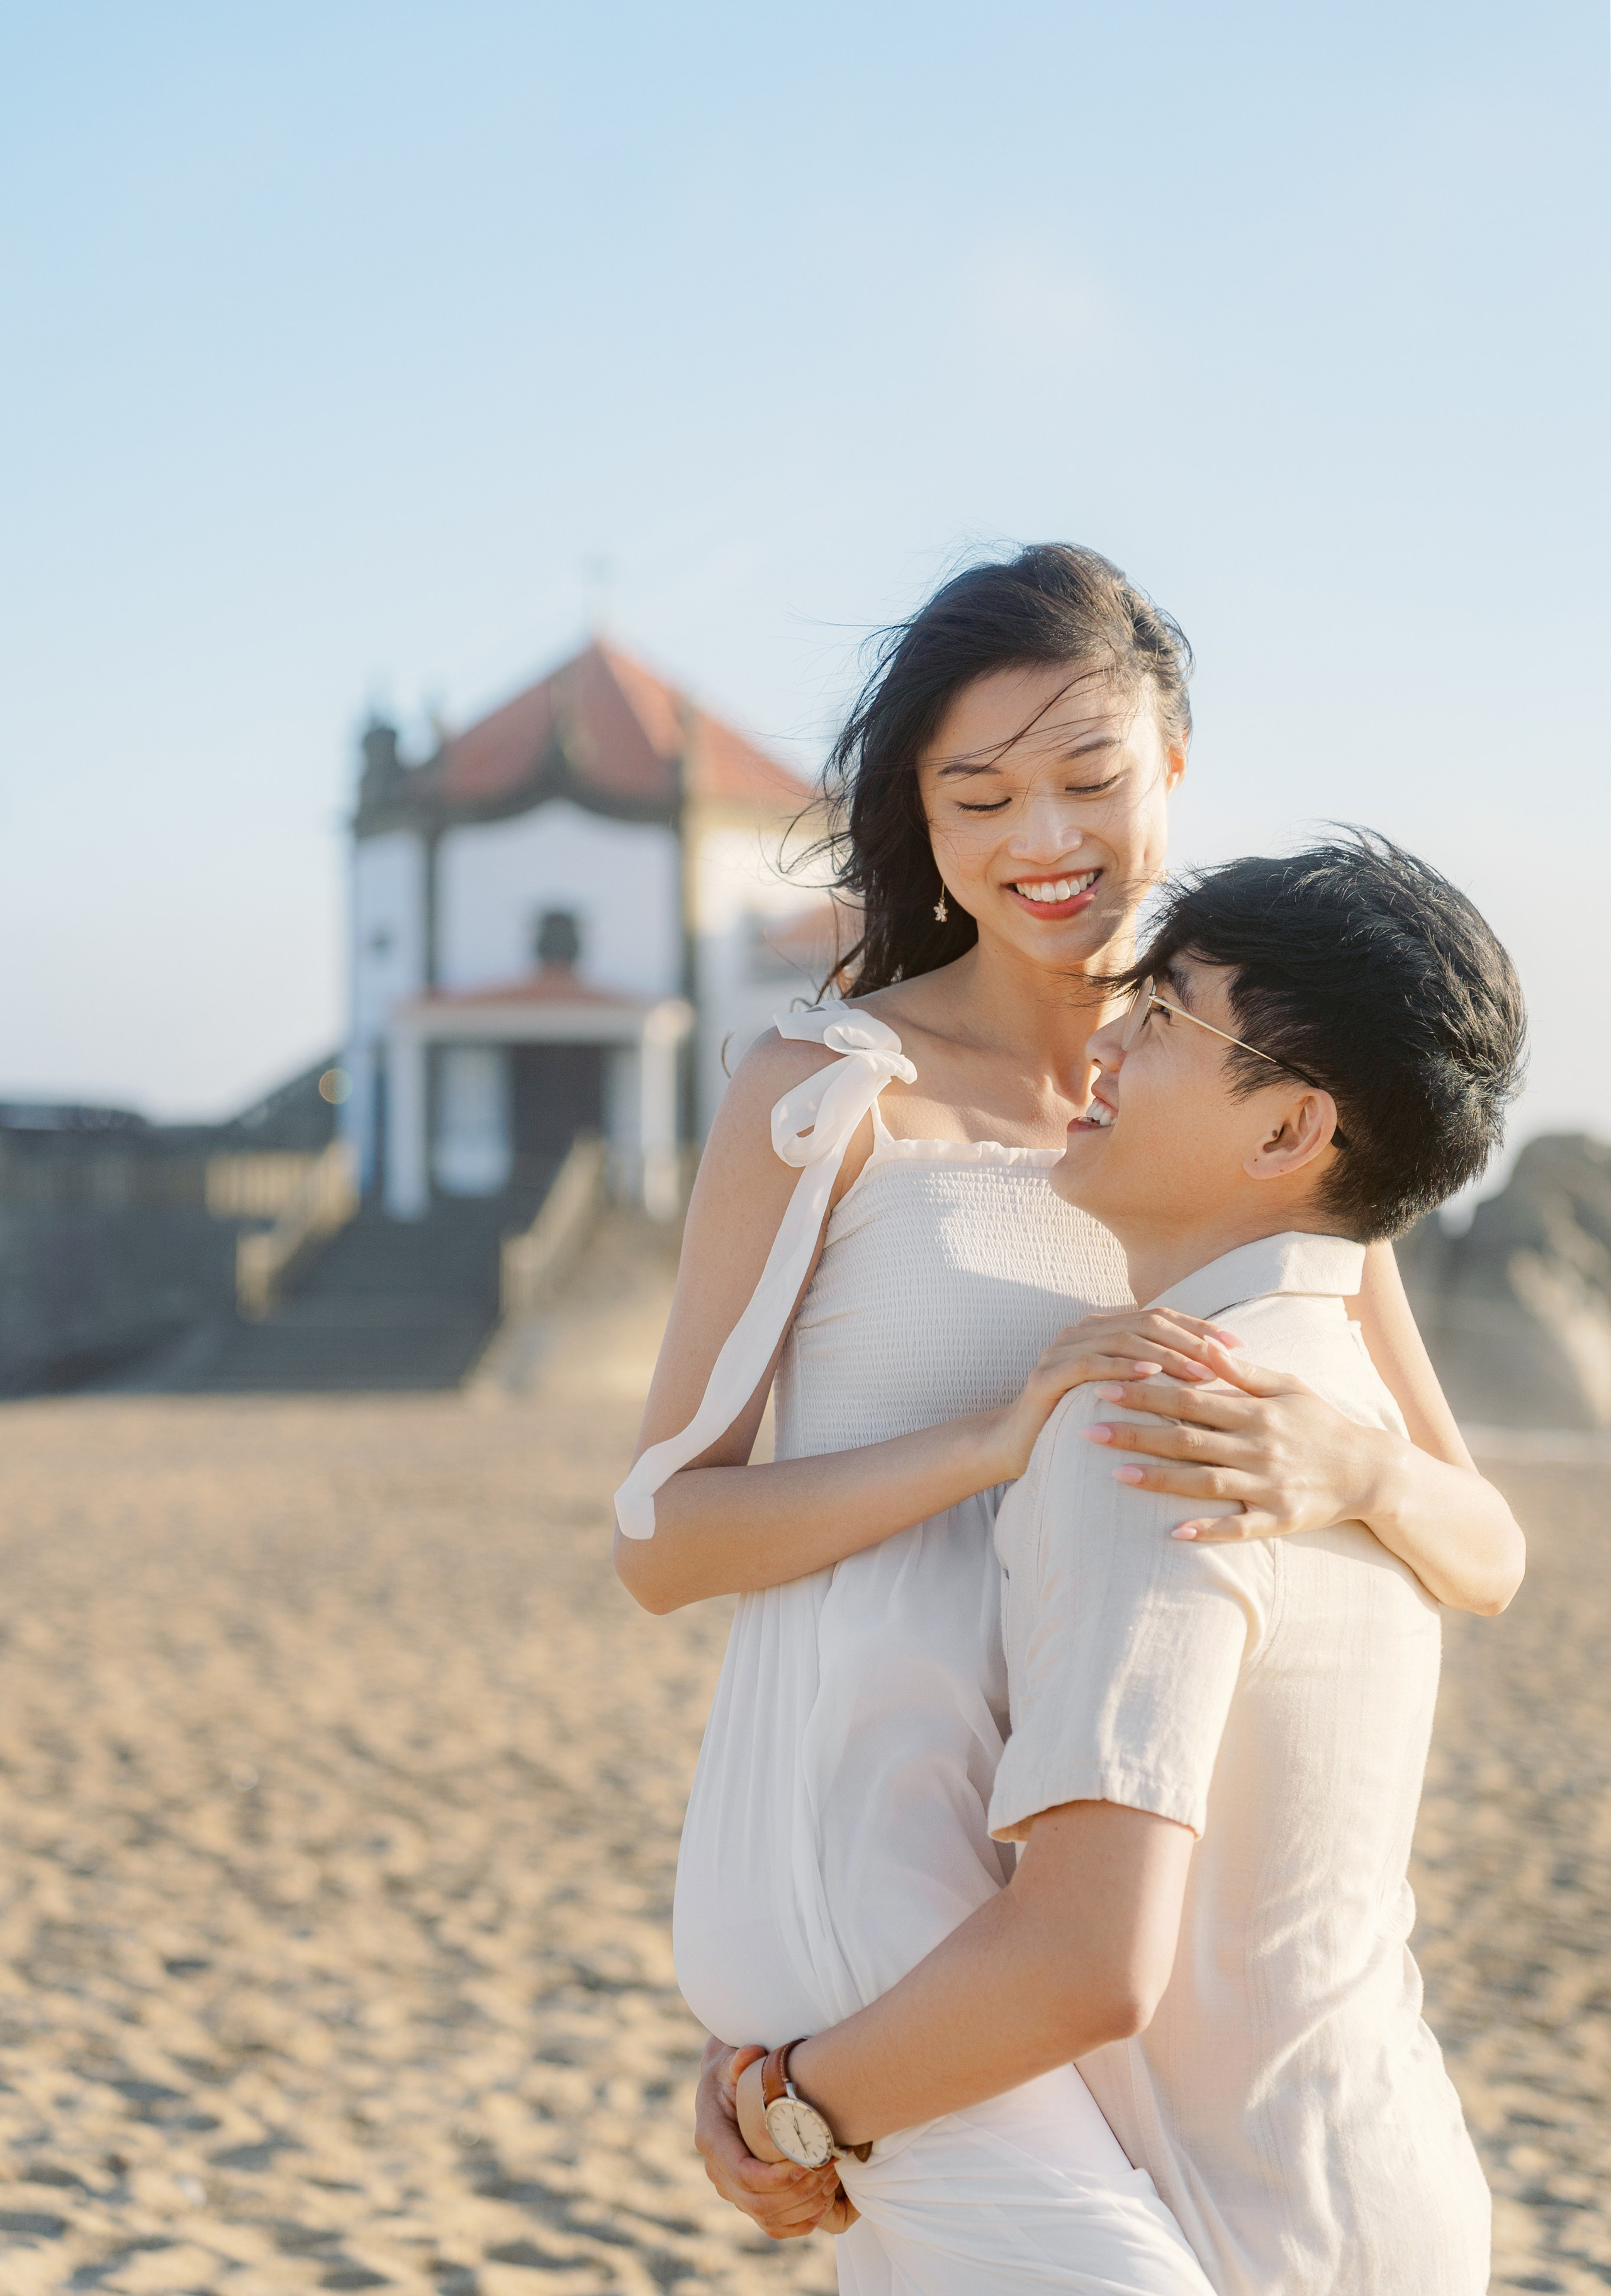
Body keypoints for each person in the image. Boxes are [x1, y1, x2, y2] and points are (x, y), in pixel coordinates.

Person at [612, 546, 1524, 2282]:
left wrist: (1356, 1465)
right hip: (883, 1868)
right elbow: (661, 1534)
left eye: (1092, 779)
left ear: (1174, 764)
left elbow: (1484, 1548)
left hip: (1078, 1916)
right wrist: (980, 1441)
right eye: (982, 794)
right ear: (925, 818)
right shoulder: (825, 1095)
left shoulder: (1246, 1106)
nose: (1046, 838)